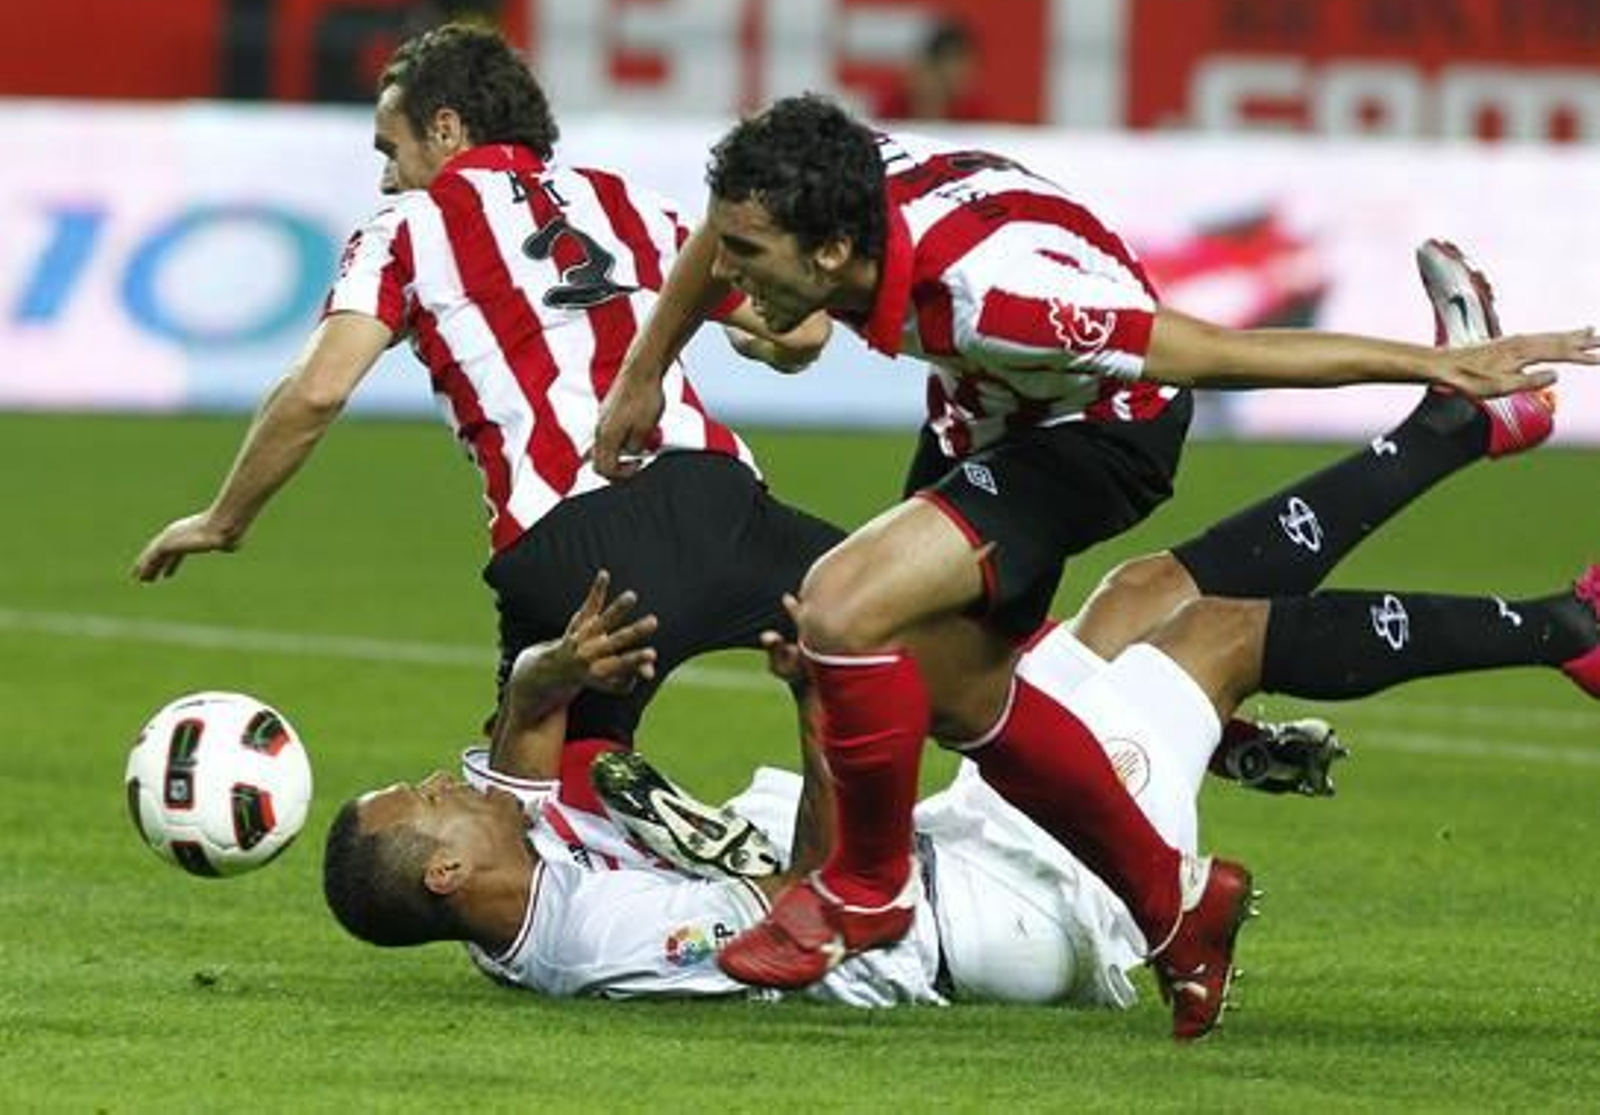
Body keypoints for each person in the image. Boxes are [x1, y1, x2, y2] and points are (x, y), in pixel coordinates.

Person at [591, 93, 1599, 1014]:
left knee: (844, 608)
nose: (723, 269)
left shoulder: (998, 296)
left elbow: (1217, 349)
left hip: (1098, 438)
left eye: (748, 253)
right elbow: (717, 243)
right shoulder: (836, 193)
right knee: (954, 692)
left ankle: (867, 885)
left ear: (828, 252)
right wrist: (645, 373)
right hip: (984, 421)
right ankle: (1177, 915)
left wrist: (1430, 363)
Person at [321, 396, 1600, 1032]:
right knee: (1212, 637)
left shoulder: (518, 861)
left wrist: (546, 672)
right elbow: (808, 908)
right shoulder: (594, 931)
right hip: (1007, 922)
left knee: (1144, 590)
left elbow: (522, 759)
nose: (456, 779)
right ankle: (1570, 629)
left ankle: (1453, 427)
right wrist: (826, 719)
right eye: (435, 797)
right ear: (444, 868)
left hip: (950, 841)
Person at [131, 22, 841, 766]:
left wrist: (224, 518)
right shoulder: (623, 202)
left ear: (445, 129)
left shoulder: (404, 228)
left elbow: (317, 391)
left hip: (571, 544)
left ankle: (594, 791)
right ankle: (850, 861)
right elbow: (802, 333)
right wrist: (755, 338)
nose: (385, 178)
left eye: (389, 149)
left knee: (529, 796)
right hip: (719, 499)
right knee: (870, 627)